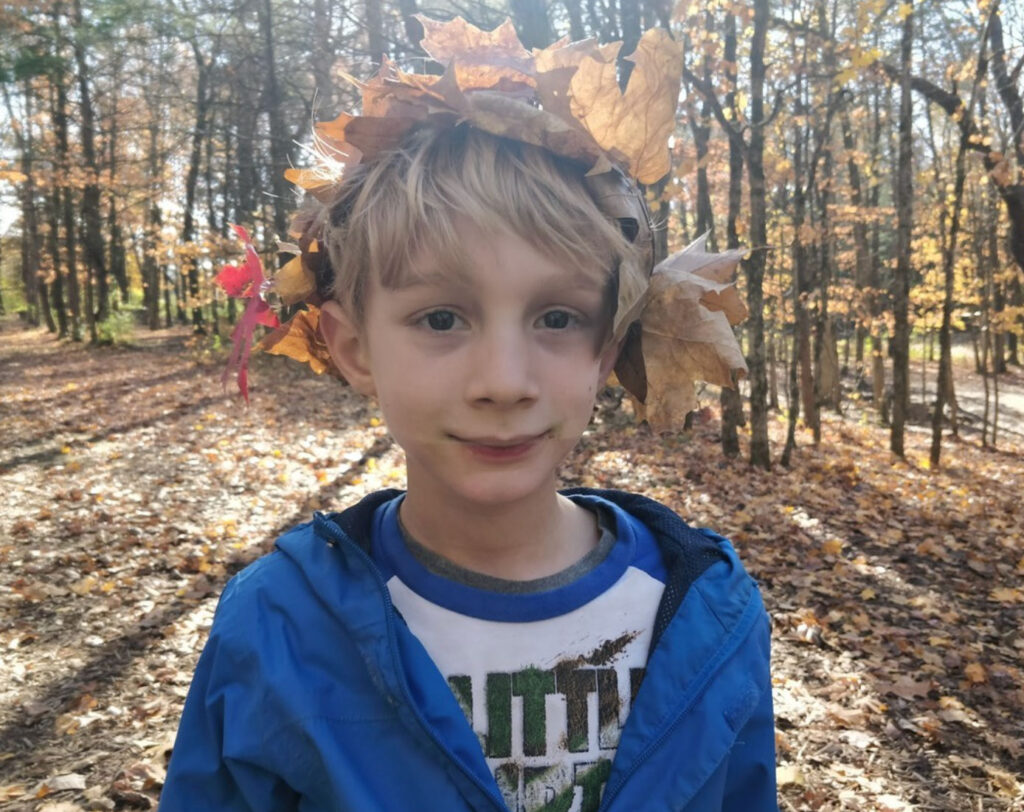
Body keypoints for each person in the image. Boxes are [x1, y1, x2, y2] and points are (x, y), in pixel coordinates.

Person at [161, 17, 776, 812]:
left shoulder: (707, 618)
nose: (504, 382)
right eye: (442, 319)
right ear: (353, 348)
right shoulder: (279, 629)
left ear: (607, 347)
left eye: (557, 318)